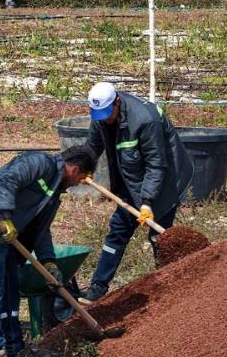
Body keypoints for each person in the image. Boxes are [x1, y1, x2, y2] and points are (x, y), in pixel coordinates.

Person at [0, 145, 96, 357]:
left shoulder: (54, 190)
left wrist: (49, 261)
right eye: (82, 177)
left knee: (11, 286)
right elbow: (7, 181)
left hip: (7, 234)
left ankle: (15, 348)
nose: (80, 182)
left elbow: (41, 229)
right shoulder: (38, 162)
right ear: (75, 169)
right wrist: (7, 217)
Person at [81, 82, 195, 303]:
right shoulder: (101, 115)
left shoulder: (145, 119)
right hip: (130, 176)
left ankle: (169, 289)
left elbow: (156, 164)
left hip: (165, 179)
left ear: (117, 102)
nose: (105, 119)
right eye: (100, 115)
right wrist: (83, 166)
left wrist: (147, 202)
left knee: (159, 238)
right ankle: (97, 288)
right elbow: (93, 146)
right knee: (118, 230)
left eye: (107, 114)